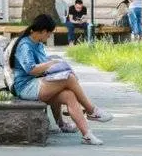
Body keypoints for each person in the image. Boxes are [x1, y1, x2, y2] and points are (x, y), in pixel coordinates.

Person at [10, 14, 114, 145]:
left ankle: (87, 135)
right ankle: (91, 110)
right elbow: (31, 69)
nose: (49, 36)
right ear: (41, 31)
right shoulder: (25, 45)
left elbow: (43, 65)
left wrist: (56, 65)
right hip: (26, 87)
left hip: (39, 82)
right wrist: (51, 64)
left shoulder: (38, 44)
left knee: (69, 95)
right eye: (48, 33)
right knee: (68, 78)